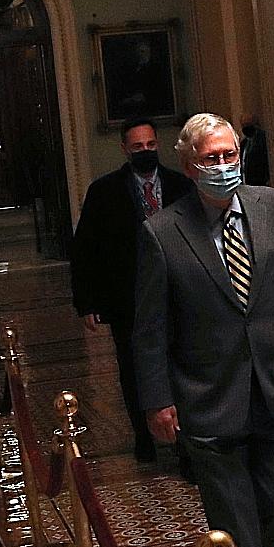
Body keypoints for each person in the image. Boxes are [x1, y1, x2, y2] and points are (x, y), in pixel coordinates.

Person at [133, 113, 274, 547]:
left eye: (230, 155)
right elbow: (149, 329)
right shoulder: (162, 231)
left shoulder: (273, 206)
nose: (223, 166)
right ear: (190, 167)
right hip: (207, 397)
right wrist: (158, 400)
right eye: (210, 159)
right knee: (233, 513)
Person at [70, 118, 193, 468]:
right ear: (125, 149)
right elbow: (85, 249)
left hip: (178, 295)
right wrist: (87, 302)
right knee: (132, 367)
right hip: (128, 298)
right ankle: (144, 434)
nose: (145, 151)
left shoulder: (181, 186)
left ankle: (185, 443)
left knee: (181, 365)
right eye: (138, 147)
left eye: (150, 145)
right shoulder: (104, 192)